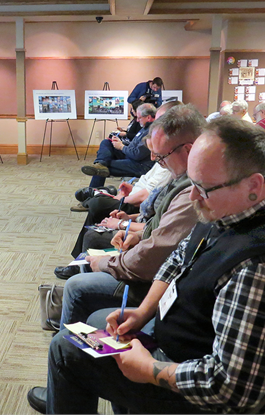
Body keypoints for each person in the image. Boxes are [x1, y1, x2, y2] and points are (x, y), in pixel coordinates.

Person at [28, 116, 265, 414]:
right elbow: (178, 260)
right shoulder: (234, 209)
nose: (193, 196)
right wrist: (143, 311)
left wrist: (150, 369)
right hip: (181, 343)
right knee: (92, 328)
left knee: (66, 351)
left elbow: (230, 389)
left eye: (204, 188)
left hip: (199, 394)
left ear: (254, 184)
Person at [58, 104, 205, 324]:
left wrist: (109, 261)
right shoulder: (182, 177)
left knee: (77, 287)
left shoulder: (193, 190)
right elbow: (159, 231)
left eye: (163, 155)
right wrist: (134, 233)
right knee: (96, 230)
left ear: (187, 149)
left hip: (157, 281)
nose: (157, 160)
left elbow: (157, 252)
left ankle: (74, 329)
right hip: (156, 271)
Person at [81, 103, 156, 189]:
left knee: (100, 169)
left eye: (139, 118)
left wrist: (121, 147)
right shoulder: (145, 127)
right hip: (131, 157)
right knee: (106, 142)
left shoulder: (152, 131)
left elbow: (137, 155)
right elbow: (134, 146)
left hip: (140, 165)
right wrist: (120, 143)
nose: (138, 120)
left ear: (148, 117)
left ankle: (92, 193)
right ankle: (101, 162)